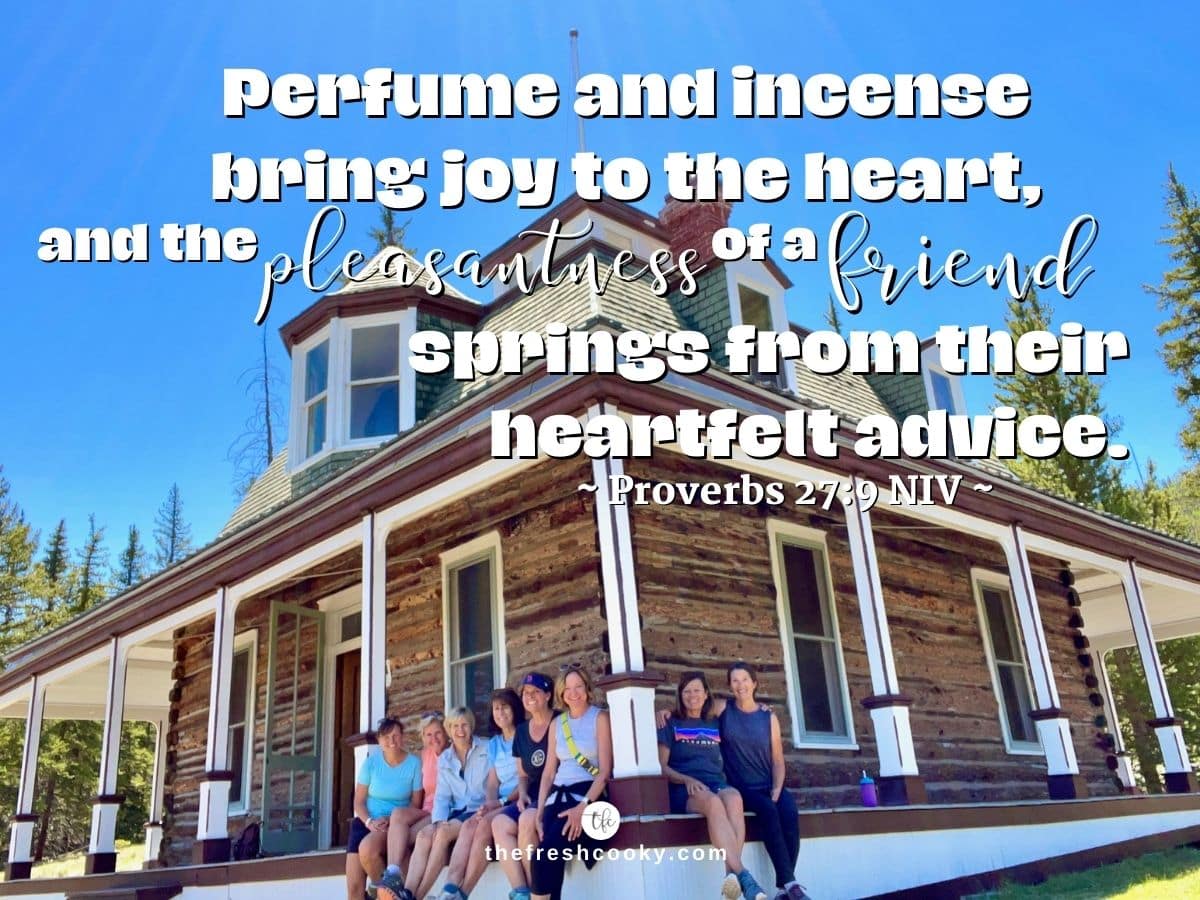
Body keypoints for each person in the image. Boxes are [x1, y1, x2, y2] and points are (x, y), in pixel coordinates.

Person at [658, 671, 769, 900]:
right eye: (687, 691)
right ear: (680, 695)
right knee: (714, 803)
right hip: (686, 788)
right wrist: (687, 779)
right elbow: (662, 767)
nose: (692, 696)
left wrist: (764, 708)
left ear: (706, 693)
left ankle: (731, 877)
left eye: (697, 690)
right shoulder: (671, 723)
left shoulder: (714, 720)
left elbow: (741, 704)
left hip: (716, 782)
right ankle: (744, 875)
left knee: (735, 798)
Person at [720, 662, 809, 900]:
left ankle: (783, 888)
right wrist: (664, 712)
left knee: (789, 812)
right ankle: (791, 883)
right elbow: (692, 706)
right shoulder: (722, 710)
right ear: (730, 685)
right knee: (769, 811)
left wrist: (778, 787)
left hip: (769, 784)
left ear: (754, 683)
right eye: (735, 681)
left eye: (745, 680)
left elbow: (778, 760)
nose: (740, 685)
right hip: (743, 788)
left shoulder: (768, 717)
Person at [434, 688, 526, 899]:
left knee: (484, 823)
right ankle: (451, 889)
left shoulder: (524, 734)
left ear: (514, 709)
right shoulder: (494, 744)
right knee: (469, 824)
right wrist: (490, 803)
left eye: (505, 707)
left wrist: (499, 802)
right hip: (500, 802)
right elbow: (492, 782)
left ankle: (463, 892)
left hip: (518, 798)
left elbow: (526, 778)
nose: (500, 712)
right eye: (496, 708)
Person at [530, 664, 612, 900]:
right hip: (556, 797)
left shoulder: (600, 718)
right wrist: (539, 809)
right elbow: (548, 772)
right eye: (568, 689)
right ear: (561, 693)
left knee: (543, 856)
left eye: (578, 687)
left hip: (586, 796)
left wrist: (582, 808)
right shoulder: (557, 724)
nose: (573, 693)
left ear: (587, 689)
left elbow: (605, 772)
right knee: (552, 861)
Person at [397, 707, 489, 900]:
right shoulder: (446, 759)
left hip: (478, 810)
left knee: (442, 834)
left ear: (471, 727)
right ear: (449, 729)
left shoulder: (486, 748)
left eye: (464, 725)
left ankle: (418, 896)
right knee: (423, 835)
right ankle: (408, 892)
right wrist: (438, 820)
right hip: (456, 812)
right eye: (455, 726)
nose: (460, 730)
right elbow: (442, 797)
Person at [493, 672, 558, 900]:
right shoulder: (522, 731)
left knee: (527, 820)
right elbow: (522, 775)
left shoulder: (560, 721)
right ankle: (521, 891)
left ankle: (536, 891)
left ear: (548, 695)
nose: (529, 697)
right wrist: (521, 795)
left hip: (555, 791)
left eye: (535, 692)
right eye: (525, 693)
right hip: (531, 792)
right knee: (499, 823)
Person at [345, 716, 424, 900]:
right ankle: (384, 893)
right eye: (386, 737)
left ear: (402, 737)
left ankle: (388, 892)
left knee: (369, 851)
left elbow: (416, 803)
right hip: (366, 821)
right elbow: (358, 801)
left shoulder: (413, 763)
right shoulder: (371, 763)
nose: (392, 741)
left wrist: (393, 820)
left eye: (395, 736)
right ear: (379, 741)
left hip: (394, 824)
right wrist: (370, 822)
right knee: (354, 889)